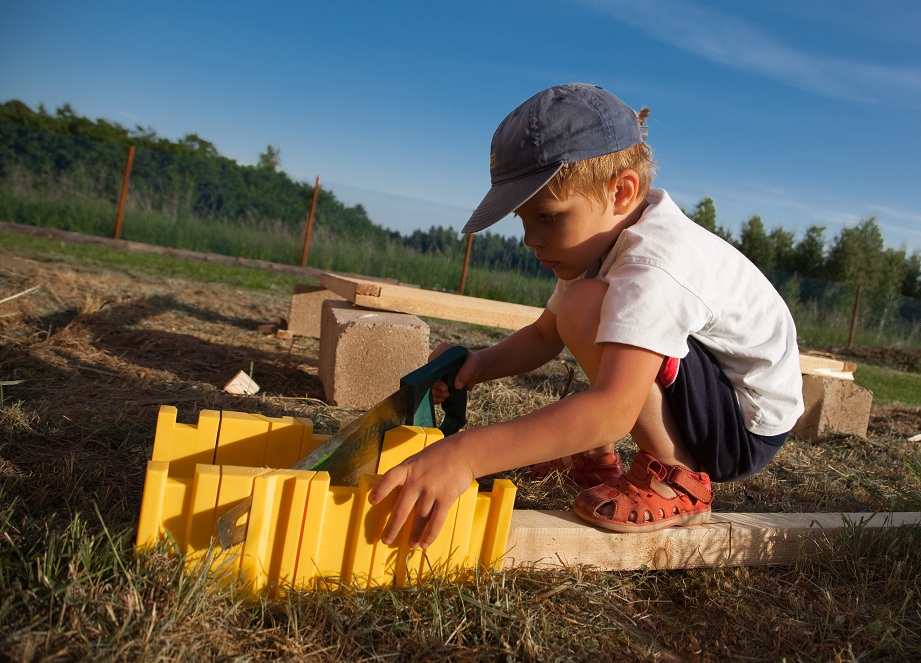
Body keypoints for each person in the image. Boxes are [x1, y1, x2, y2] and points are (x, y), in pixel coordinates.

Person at [369, 83, 804, 548]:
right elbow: (544, 334)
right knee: (579, 307)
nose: (530, 238)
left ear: (621, 191)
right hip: (708, 396)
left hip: (741, 427)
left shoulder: (655, 264)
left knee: (585, 308)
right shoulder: (599, 248)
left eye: (548, 217)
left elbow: (614, 409)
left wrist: (466, 456)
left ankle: (678, 479)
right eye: (522, 219)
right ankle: (595, 454)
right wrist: (482, 364)